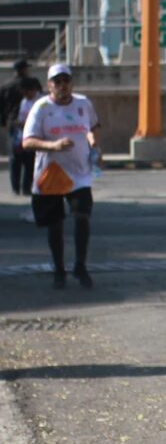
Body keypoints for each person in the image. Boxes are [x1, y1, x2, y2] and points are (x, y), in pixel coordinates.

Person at [21, 64, 100, 289]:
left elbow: (91, 127)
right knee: (55, 225)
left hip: (80, 173)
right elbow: (27, 142)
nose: (62, 86)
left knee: (82, 216)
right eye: (57, 81)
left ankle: (80, 266)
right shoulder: (41, 107)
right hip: (52, 174)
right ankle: (59, 269)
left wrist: (93, 142)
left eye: (66, 81)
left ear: (71, 83)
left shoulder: (83, 104)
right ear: (49, 85)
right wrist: (52, 145)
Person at [3, 59, 41, 198]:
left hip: (13, 123)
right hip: (30, 123)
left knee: (15, 158)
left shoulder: (6, 86)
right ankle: (26, 187)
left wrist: (4, 122)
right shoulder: (32, 83)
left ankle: (15, 187)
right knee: (29, 158)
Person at [11, 77, 42, 212]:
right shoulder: (24, 101)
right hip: (21, 137)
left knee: (30, 165)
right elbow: (22, 117)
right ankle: (17, 187)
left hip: (34, 138)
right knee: (17, 162)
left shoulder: (40, 102)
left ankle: (28, 187)